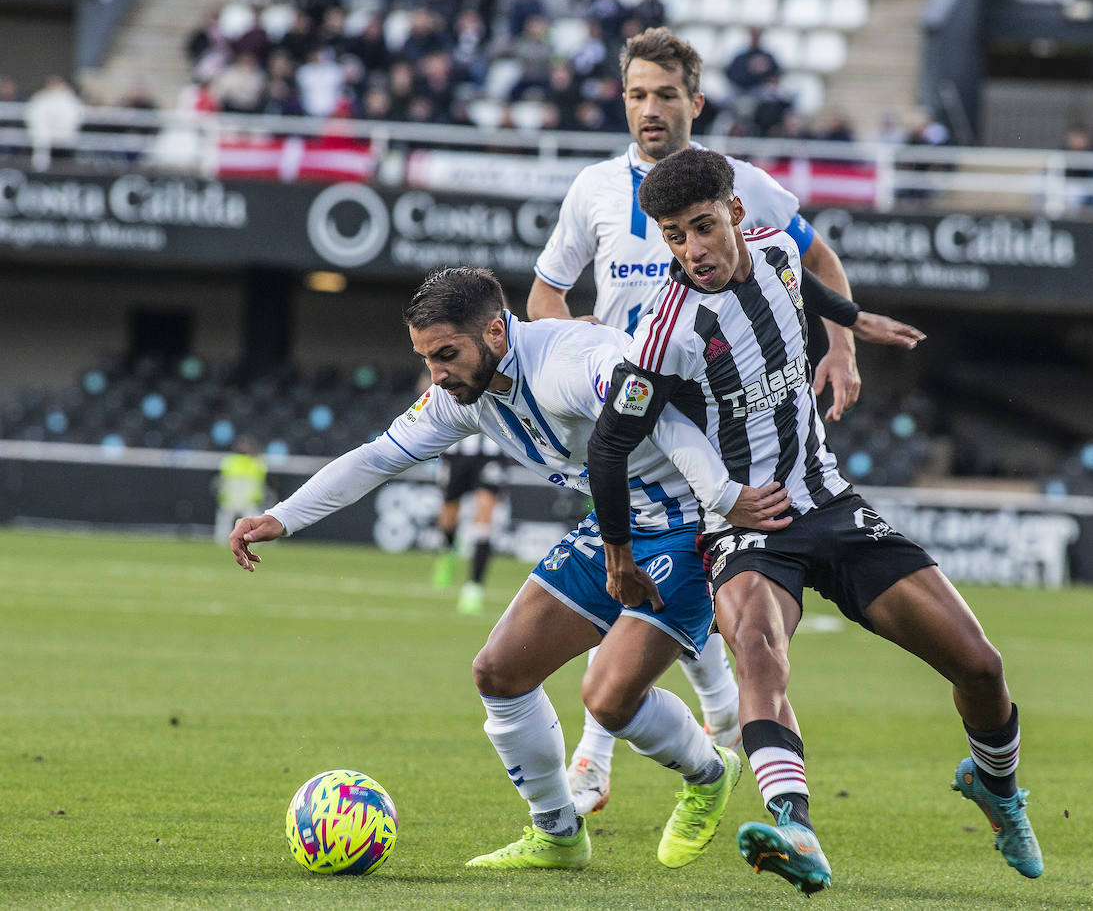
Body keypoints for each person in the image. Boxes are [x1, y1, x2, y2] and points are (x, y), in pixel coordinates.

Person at [229, 266, 799, 871]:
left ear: (497, 332)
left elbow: (656, 407)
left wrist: (723, 495)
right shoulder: (462, 397)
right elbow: (379, 457)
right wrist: (282, 517)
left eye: (447, 354)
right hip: (615, 523)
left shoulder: (568, 362)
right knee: (499, 673)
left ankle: (710, 774)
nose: (437, 374)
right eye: (427, 359)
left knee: (606, 699)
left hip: (695, 527)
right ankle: (557, 834)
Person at [584, 148, 1042, 892]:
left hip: (829, 503)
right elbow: (610, 442)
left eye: (702, 227)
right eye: (673, 235)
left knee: (980, 665)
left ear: (735, 213)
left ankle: (997, 787)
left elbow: (810, 282)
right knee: (759, 657)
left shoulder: (774, 256)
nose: (692, 250)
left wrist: (855, 324)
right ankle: (795, 825)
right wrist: (617, 555)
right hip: (746, 531)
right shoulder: (665, 333)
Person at [525, 26, 924, 818]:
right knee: (669, 585)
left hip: (723, 429)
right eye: (637, 93)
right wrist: (582, 361)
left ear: (694, 102)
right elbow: (545, 296)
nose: (649, 109)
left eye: (665, 94)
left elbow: (814, 260)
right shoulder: (593, 191)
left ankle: (605, 758)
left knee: (700, 588)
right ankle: (690, 734)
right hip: (639, 422)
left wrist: (841, 350)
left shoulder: (744, 186)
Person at [430, 432, 508, 615]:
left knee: (484, 515)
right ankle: (447, 551)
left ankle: (474, 587)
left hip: (491, 452)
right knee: (449, 514)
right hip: (457, 449)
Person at [214, 436, 269, 542]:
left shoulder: (256, 463)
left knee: (253, 521)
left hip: (248, 499)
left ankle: (255, 540)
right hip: (232, 497)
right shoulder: (231, 461)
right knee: (225, 519)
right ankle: (221, 541)